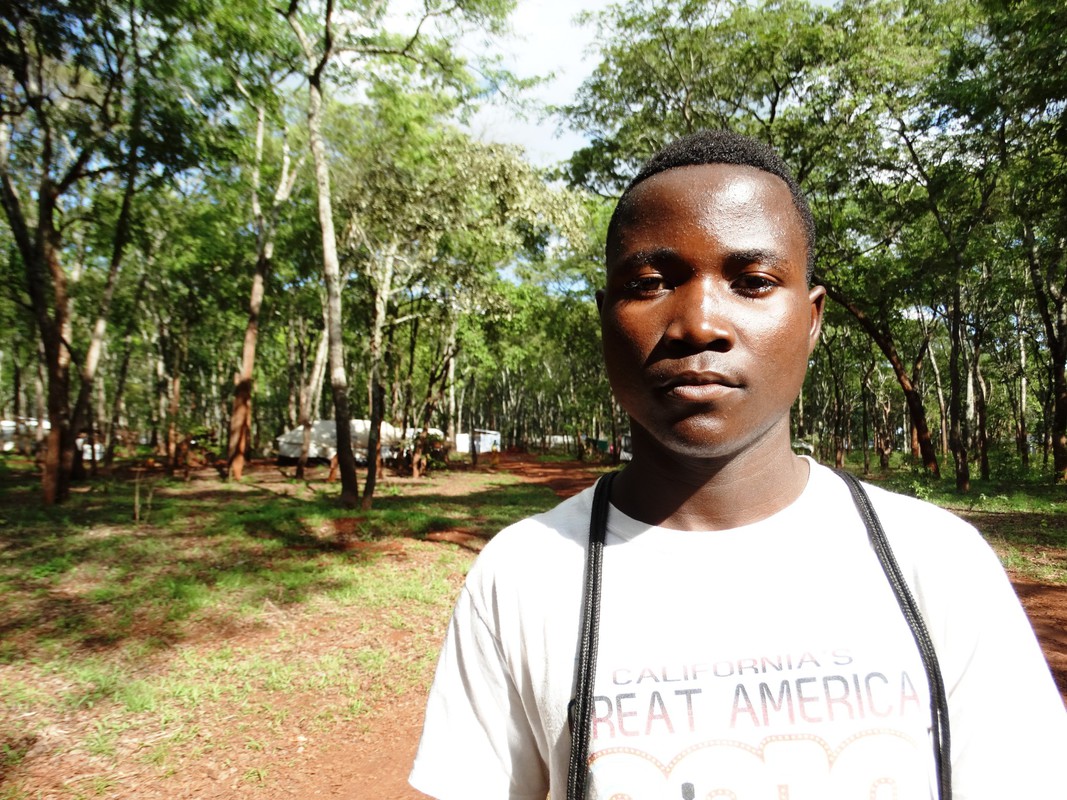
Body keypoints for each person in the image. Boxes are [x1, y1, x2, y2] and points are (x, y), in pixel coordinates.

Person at [409, 130, 1067, 799]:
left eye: (751, 282)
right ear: (606, 320)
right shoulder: (524, 575)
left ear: (810, 320)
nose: (697, 323)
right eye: (649, 283)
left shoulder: (935, 560)